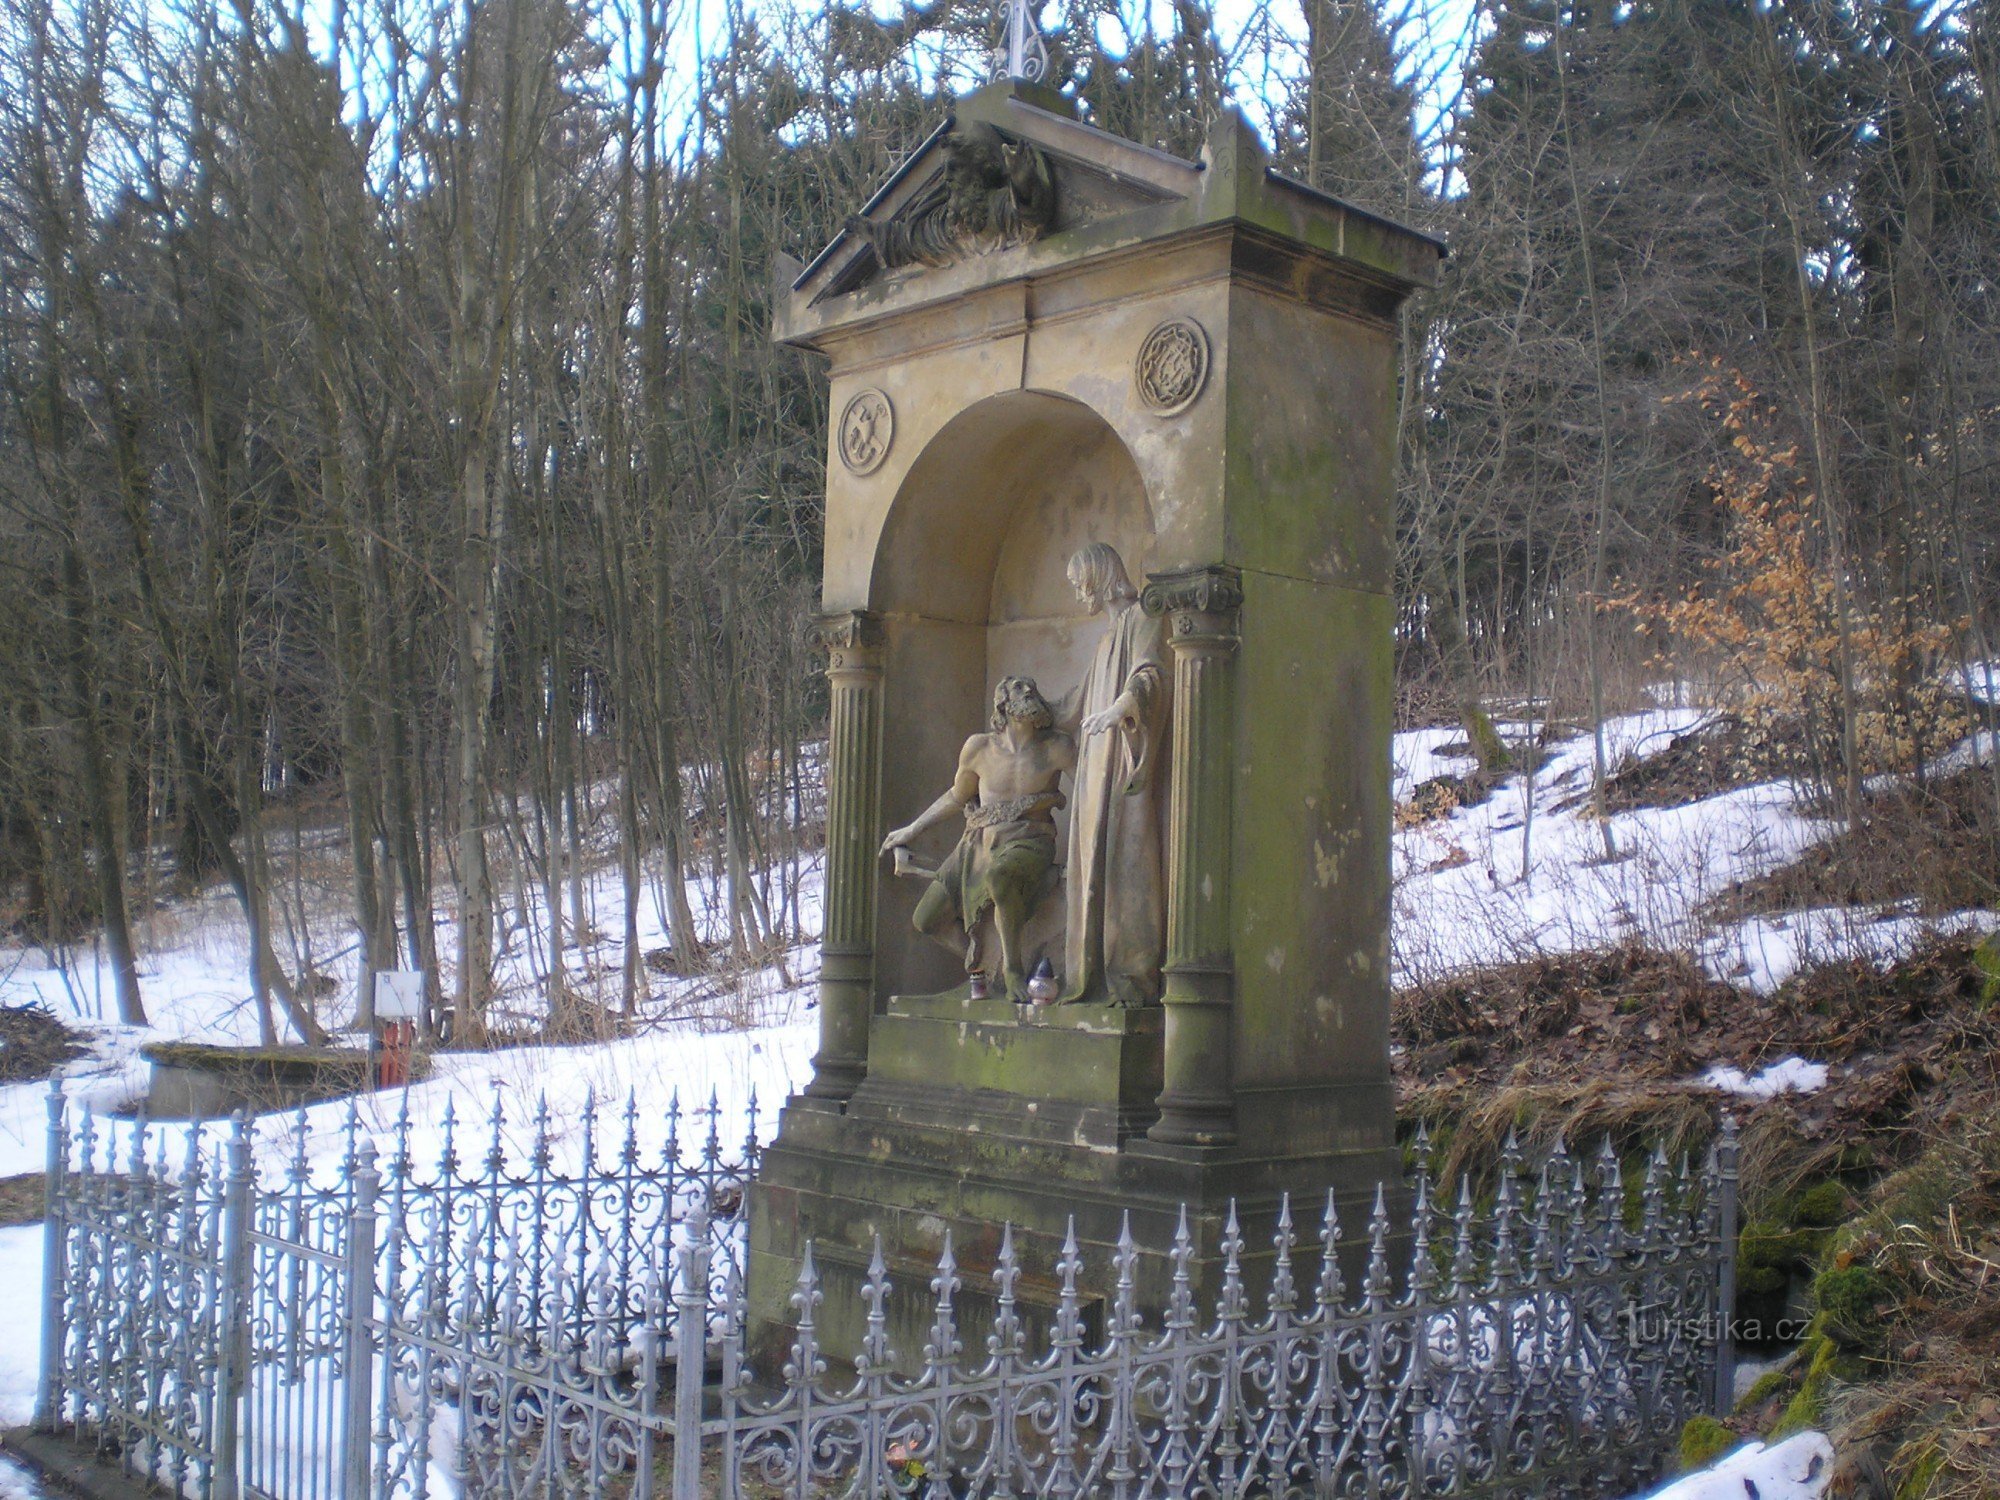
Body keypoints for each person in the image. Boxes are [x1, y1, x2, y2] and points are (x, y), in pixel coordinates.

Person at [881, 676, 1075, 1003]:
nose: (1028, 691)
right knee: (926, 918)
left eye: (1031, 687)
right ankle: (983, 967)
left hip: (1031, 841)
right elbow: (957, 796)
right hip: (977, 846)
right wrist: (912, 829)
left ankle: (1013, 971)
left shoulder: (1056, 747)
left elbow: (1092, 791)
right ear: (1003, 704)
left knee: (1000, 876)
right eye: (1017, 687)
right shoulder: (979, 748)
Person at [1062, 543, 1169, 1007]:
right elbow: (1072, 703)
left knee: (1128, 865)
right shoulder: (1106, 639)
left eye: (1078, 582)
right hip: (1094, 772)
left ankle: (1131, 976)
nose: (1077, 593)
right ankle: (1091, 974)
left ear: (1098, 576)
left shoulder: (1144, 616)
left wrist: (1120, 710)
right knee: (1093, 868)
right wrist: (1021, 704)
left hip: (1124, 764)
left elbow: (1149, 675)